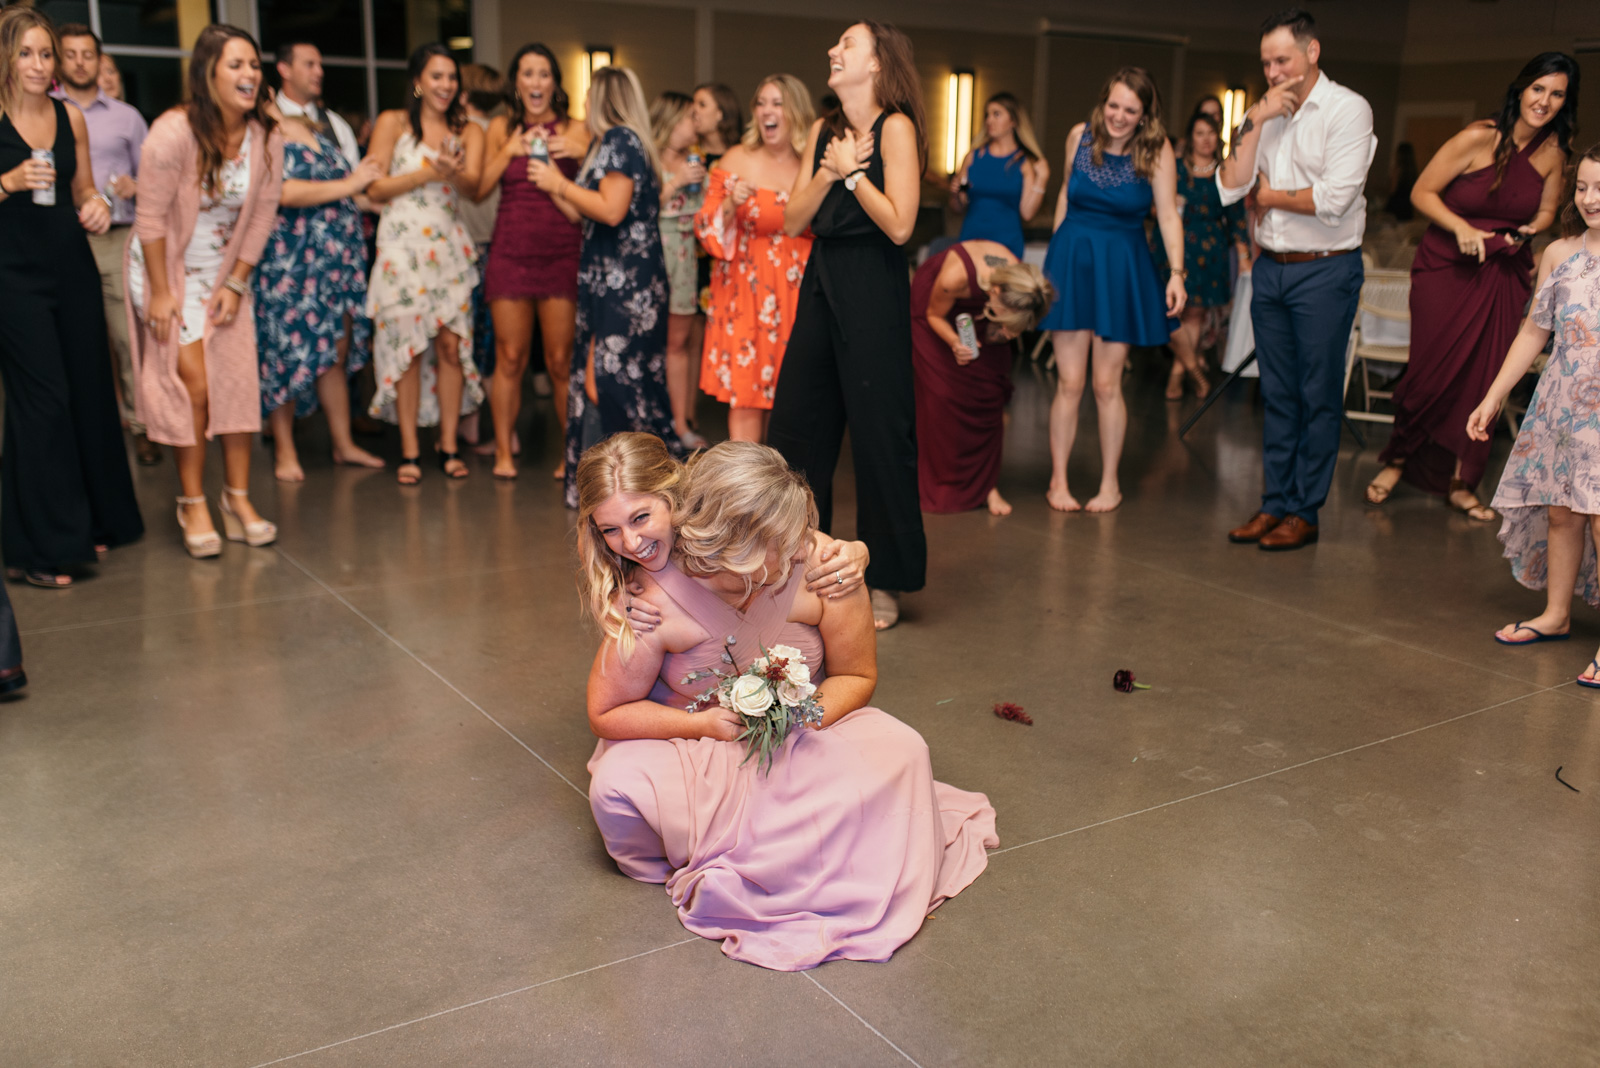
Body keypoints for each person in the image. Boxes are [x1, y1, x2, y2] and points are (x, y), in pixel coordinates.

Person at [577, 434, 997, 971]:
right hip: (695, 738)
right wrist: (707, 725)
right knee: (617, 788)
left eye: (639, 520)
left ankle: (781, 850)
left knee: (905, 748)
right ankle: (790, 845)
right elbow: (607, 710)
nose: (631, 542)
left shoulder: (822, 564)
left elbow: (858, 674)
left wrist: (799, 716)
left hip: (803, 734)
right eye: (612, 529)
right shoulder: (649, 597)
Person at [1367, 53, 1576, 519]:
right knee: (1429, 369)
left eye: (1556, 93)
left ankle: (1464, 482)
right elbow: (1422, 191)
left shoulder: (1553, 153)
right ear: (1521, 89)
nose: (1544, 101)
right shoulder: (1479, 137)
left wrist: (1520, 235)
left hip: (1502, 273)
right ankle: (1397, 459)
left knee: (1484, 377)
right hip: (1446, 267)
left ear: (1565, 102)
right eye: (1538, 88)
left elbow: (1546, 212)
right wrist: (1461, 227)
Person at [771, 21, 928, 630]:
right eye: (833, 43)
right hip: (821, 281)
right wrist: (831, 169)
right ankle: (794, 564)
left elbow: (900, 225)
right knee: (797, 429)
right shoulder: (823, 132)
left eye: (848, 45)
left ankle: (884, 578)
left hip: (873, 288)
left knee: (879, 436)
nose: (834, 51)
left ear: (879, 63)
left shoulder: (896, 128)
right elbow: (792, 219)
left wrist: (856, 175)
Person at [1219, 8, 1374, 552]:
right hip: (1272, 270)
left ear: (1312, 52)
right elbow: (1229, 186)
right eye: (1265, 63)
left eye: (1282, 59)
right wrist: (1254, 119)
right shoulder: (1265, 114)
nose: (1273, 71)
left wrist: (1269, 197)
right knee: (1278, 394)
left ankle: (1304, 511)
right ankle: (1274, 503)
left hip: (1325, 269)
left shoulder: (1347, 109)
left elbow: (1334, 200)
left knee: (1317, 394)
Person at [0, 6, 142, 587]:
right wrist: (6, 182)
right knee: (44, 403)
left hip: (72, 266)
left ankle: (96, 519)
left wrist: (97, 206)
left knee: (89, 391)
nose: (39, 64)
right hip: (13, 276)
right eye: (27, 53)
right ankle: (40, 548)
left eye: (46, 54)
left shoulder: (69, 117)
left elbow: (83, 190)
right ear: (6, 57)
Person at [127, 24, 281, 558]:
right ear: (209, 73)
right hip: (166, 266)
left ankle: (236, 499)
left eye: (254, 65)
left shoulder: (266, 135)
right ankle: (191, 500)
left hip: (223, 271)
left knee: (235, 381)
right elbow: (148, 217)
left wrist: (237, 282)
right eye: (236, 65)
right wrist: (162, 292)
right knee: (193, 383)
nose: (249, 74)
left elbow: (262, 214)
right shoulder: (173, 132)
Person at [1466, 144, 1600, 676]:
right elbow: (1533, 331)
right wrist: (1494, 395)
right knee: (1562, 512)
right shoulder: (1559, 254)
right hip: (1562, 406)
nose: (1591, 199)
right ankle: (1556, 613)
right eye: (1584, 187)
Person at [528, 65, 680, 508]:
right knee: (612, 378)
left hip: (626, 282)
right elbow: (583, 213)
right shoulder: (607, 143)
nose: (584, 104)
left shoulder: (620, 140)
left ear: (603, 98)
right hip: (609, 278)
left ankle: (623, 486)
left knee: (611, 380)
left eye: (589, 95)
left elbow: (611, 210)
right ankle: (625, 484)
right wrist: (551, 180)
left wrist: (557, 182)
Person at [1039, 66, 1185, 514]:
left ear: (1145, 115)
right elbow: (1066, 192)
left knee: (1106, 384)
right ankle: (1058, 481)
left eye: (1131, 110)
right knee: (1069, 381)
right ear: (1104, 102)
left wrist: (1177, 272)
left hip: (1121, 265)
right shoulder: (1078, 136)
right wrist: (1053, 262)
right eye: (1114, 105)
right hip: (1072, 259)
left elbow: (1166, 216)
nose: (1120, 116)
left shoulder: (1157, 151)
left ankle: (1109, 484)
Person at [364, 42, 484, 486]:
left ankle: (449, 444)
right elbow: (374, 188)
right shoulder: (393, 123)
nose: (446, 85)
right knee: (409, 350)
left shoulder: (468, 130)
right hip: (401, 246)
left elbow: (475, 189)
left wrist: (451, 172)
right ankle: (410, 450)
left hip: (448, 247)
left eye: (452, 77)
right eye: (437, 76)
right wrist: (429, 172)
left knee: (452, 347)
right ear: (418, 81)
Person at [254, 89, 385, 481]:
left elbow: (334, 190)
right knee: (285, 354)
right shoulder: (258, 135)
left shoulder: (309, 128)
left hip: (334, 263)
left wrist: (371, 202)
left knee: (335, 352)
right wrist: (353, 185)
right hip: (291, 262)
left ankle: (343, 443)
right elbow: (283, 192)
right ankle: (285, 449)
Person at [479, 43, 586, 481]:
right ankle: (504, 451)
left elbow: (590, 191)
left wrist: (565, 155)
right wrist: (510, 150)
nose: (537, 82)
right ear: (516, 83)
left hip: (562, 250)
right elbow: (479, 187)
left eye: (544, 74)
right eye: (528, 74)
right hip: (511, 249)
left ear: (555, 84)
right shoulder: (501, 128)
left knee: (561, 360)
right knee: (509, 356)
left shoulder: (577, 129)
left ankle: (570, 454)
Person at [54, 24, 159, 466]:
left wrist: (137, 186)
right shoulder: (47, 113)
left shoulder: (128, 117)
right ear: (60, 61)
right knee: (70, 339)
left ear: (100, 61)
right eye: (71, 54)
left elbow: (156, 179)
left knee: (125, 338)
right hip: (63, 240)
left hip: (117, 237)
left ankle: (141, 427)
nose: (80, 62)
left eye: (88, 54)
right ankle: (76, 431)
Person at [695, 73, 815, 444]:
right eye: (761, 103)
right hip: (746, 294)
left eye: (777, 103)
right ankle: (745, 494)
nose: (767, 111)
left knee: (794, 400)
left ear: (795, 111)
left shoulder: (813, 163)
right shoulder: (737, 159)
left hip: (800, 294)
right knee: (746, 400)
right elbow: (705, 226)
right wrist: (731, 203)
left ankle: (786, 495)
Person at [911, 240, 1054, 515]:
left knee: (989, 393)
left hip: (977, 310)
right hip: (934, 312)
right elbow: (932, 314)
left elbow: (1015, 312)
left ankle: (987, 486)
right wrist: (955, 342)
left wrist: (1007, 329)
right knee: (943, 396)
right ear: (996, 292)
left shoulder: (1020, 283)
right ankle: (941, 481)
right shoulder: (955, 277)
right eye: (1005, 316)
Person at [1156, 111, 1249, 401]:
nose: (1206, 139)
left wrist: (1244, 253)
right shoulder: (1177, 169)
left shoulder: (1225, 172)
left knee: (1194, 315)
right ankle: (1194, 368)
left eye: (1211, 133)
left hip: (1210, 251)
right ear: (1190, 138)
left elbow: (1237, 217)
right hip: (1173, 248)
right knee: (1166, 315)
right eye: (1200, 133)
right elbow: (1157, 205)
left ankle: (1178, 374)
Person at [650, 90, 707, 448]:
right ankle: (649, 422)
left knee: (679, 343)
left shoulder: (695, 160)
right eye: (690, 116)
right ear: (671, 121)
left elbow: (702, 213)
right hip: (654, 253)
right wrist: (675, 182)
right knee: (646, 343)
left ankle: (680, 423)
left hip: (685, 255)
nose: (696, 123)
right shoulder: (647, 160)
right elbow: (636, 211)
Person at [456, 62, 503, 455]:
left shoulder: (463, 135)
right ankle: (484, 426)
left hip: (467, 247)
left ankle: (470, 423)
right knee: (493, 344)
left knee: (467, 341)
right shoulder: (504, 135)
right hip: (495, 246)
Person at [949, 92, 1049, 257]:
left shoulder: (1024, 163)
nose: (989, 120)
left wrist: (1042, 179)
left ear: (1013, 121)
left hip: (1006, 244)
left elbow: (1027, 213)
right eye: (987, 115)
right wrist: (955, 194)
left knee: (997, 282)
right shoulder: (973, 157)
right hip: (971, 241)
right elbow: (959, 206)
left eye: (997, 114)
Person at [273, 40, 361, 168]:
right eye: (310, 65)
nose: (319, 72)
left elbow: (353, 178)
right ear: (285, 70)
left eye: (320, 65)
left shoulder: (337, 125)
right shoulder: (264, 119)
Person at [1384, 142, 1419, 220]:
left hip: (1395, 206)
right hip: (1407, 207)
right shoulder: (1413, 171)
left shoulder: (1398, 169)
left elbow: (1392, 190)